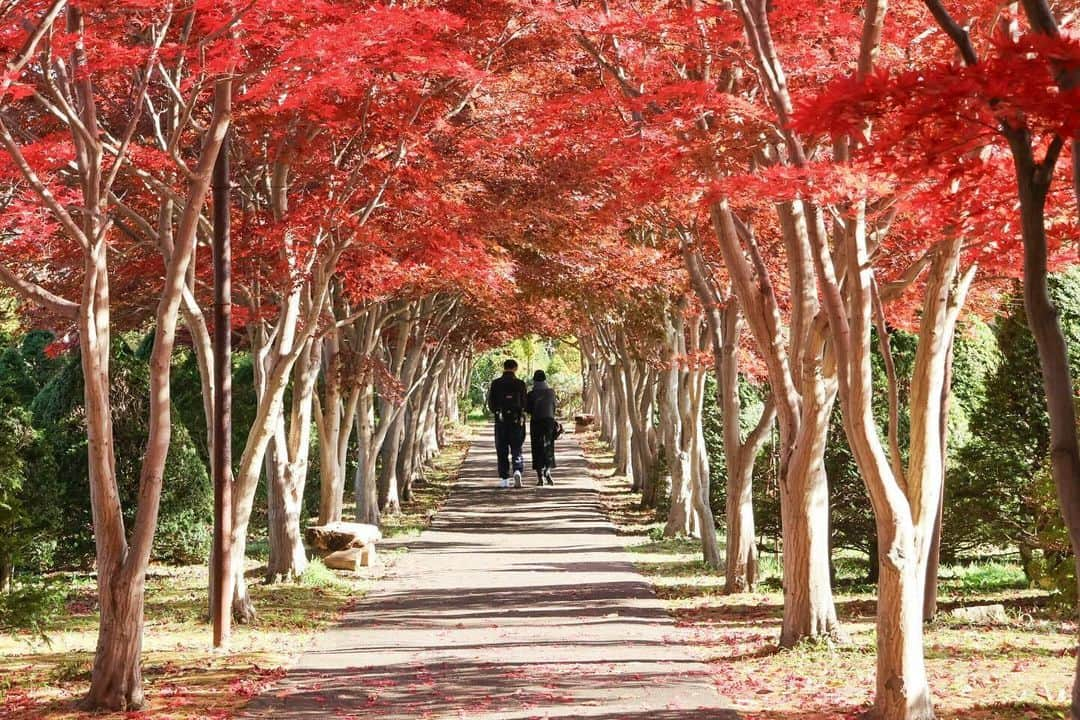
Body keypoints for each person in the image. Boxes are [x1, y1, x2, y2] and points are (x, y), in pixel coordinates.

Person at [487, 358, 527, 488]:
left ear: (504, 368)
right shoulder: (520, 384)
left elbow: (491, 404)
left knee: (502, 450)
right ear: (515, 368)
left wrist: (496, 411)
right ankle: (517, 470)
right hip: (516, 421)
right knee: (516, 448)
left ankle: (504, 479)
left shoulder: (496, 383)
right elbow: (524, 403)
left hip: (501, 421)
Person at [526, 369, 558, 486]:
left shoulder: (531, 394)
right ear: (545, 379)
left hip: (536, 422)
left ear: (534, 380)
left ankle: (540, 477)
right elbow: (554, 406)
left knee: (537, 447)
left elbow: (527, 409)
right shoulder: (551, 392)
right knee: (549, 446)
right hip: (549, 421)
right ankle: (547, 470)